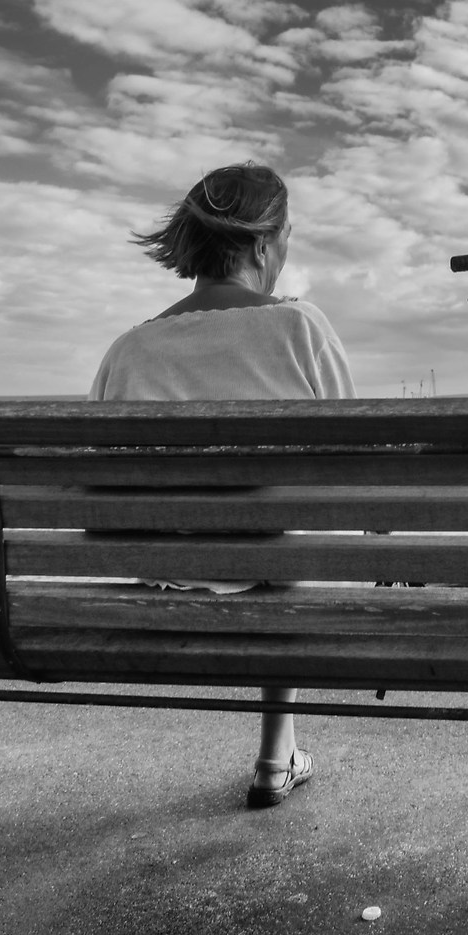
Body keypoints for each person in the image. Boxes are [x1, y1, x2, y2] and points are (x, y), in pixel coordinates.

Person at [90, 161, 356, 810]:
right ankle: (273, 754)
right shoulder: (300, 328)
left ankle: (279, 756)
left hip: (165, 574)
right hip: (274, 568)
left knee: (271, 535)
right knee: (283, 539)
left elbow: (96, 499)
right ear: (263, 245)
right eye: (287, 235)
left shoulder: (127, 350)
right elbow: (356, 464)